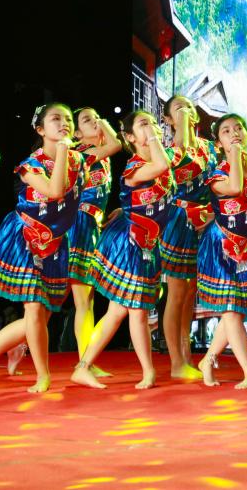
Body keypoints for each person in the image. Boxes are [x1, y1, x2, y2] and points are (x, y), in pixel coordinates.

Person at [0, 103, 83, 393]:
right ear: (40, 129)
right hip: (26, 237)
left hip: (56, 242)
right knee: (34, 309)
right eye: (56, 119)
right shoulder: (30, 165)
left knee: (40, 317)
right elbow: (54, 191)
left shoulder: (77, 159)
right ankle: (43, 375)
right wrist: (64, 151)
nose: (64, 123)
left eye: (68, 119)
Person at [71, 110, 173, 390]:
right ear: (130, 137)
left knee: (117, 311)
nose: (150, 128)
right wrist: (153, 138)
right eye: (143, 125)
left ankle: (83, 366)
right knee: (137, 310)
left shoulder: (160, 161)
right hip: (130, 243)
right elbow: (161, 165)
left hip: (147, 242)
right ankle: (148, 372)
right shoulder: (134, 168)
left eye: (153, 123)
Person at [195, 114, 247, 389]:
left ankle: (208, 360)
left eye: (239, 128)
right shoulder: (217, 175)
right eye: (226, 131)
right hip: (222, 246)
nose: (234, 133)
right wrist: (236, 154)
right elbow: (236, 187)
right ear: (218, 143)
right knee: (231, 310)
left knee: (236, 309)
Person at [159, 95, 216, 379]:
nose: (185, 112)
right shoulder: (168, 150)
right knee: (177, 293)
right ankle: (176, 363)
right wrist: (181, 126)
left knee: (191, 292)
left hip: (205, 222)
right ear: (168, 119)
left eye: (189, 107)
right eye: (178, 109)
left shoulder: (209, 148)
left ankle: (186, 354)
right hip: (179, 221)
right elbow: (179, 152)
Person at [66, 106, 122, 376]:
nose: (96, 121)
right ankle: (84, 362)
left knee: (80, 301)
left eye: (97, 116)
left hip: (90, 225)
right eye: (88, 120)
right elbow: (116, 143)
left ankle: (85, 361)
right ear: (77, 134)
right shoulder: (83, 152)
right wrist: (105, 125)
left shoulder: (98, 156)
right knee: (82, 301)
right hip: (78, 226)